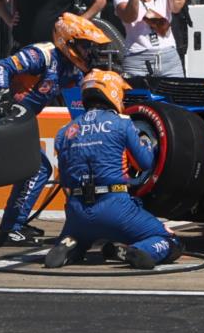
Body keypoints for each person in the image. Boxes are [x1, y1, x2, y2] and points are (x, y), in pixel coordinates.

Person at [0, 11, 113, 245]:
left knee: (40, 167)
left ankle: (13, 225)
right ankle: (11, 228)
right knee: (37, 168)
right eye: (86, 46)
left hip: (20, 125)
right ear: (69, 42)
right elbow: (0, 67)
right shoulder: (41, 55)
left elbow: (80, 109)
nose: (89, 53)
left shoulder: (70, 69)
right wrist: (3, 95)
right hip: (2, 122)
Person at [44, 69, 184, 269]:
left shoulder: (65, 131)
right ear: (113, 92)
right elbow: (145, 163)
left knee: (81, 234)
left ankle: (71, 244)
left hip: (77, 212)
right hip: (115, 206)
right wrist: (147, 145)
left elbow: (64, 178)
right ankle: (141, 249)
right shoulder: (122, 124)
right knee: (170, 240)